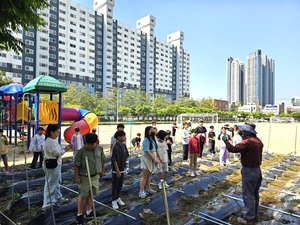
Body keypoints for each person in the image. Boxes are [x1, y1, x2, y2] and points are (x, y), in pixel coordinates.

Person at [222, 122, 263, 224]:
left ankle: (248, 218)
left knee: (248, 194)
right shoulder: (258, 141)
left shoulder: (248, 142)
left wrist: (226, 140)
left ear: (246, 131)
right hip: (257, 170)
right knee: (254, 194)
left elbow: (233, 149)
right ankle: (253, 215)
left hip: (249, 170)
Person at [74, 133, 105, 224]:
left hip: (95, 176)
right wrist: (77, 177)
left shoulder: (99, 149)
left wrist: (102, 170)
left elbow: (102, 160)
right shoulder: (81, 152)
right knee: (83, 195)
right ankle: (79, 214)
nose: (90, 146)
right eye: (88, 144)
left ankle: (89, 211)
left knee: (91, 193)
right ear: (85, 143)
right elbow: (76, 165)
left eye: (92, 144)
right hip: (84, 177)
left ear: (96, 142)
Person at [42, 124, 73, 211]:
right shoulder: (49, 142)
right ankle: (48, 202)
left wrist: (65, 147)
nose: (58, 134)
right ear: (51, 132)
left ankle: (57, 197)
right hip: (52, 164)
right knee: (51, 184)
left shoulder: (53, 140)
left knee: (56, 182)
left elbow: (58, 149)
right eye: (57, 132)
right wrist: (65, 150)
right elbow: (57, 153)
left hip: (56, 164)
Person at [139, 126, 160, 198]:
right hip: (147, 159)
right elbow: (147, 151)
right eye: (151, 130)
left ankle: (148, 188)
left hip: (152, 158)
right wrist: (154, 159)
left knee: (149, 175)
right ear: (147, 132)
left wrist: (158, 157)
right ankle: (141, 191)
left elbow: (156, 149)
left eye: (153, 130)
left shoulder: (154, 140)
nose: (153, 132)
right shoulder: (145, 140)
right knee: (144, 175)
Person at [111, 130, 129, 209]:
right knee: (115, 185)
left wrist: (127, 166)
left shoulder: (124, 145)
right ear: (118, 137)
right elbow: (114, 160)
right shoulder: (115, 147)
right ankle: (113, 200)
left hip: (122, 168)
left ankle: (118, 197)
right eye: (123, 136)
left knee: (120, 184)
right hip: (116, 170)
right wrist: (117, 171)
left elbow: (126, 156)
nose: (124, 137)